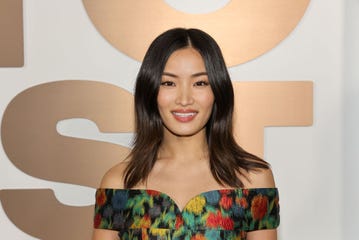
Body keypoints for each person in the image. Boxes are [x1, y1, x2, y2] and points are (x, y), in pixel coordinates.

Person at [92, 28, 280, 240]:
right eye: (168, 83)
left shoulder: (252, 179)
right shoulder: (120, 183)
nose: (184, 99)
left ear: (218, 90)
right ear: (151, 91)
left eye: (200, 83)